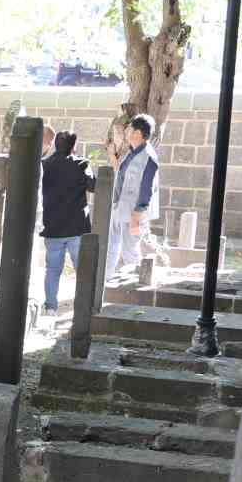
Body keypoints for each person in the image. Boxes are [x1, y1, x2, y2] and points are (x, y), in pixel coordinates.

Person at [39, 130, 95, 325]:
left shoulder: (45, 165)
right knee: (83, 269)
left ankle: (51, 307)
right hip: (77, 227)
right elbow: (93, 186)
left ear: (55, 144)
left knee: (52, 269)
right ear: (73, 146)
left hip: (53, 227)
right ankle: (82, 306)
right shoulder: (81, 164)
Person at [107, 114, 160, 279]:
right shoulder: (131, 152)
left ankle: (132, 288)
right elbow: (121, 175)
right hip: (119, 208)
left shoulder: (148, 158)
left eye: (130, 128)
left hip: (133, 213)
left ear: (137, 133)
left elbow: (147, 189)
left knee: (130, 251)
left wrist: (137, 215)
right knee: (111, 248)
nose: (126, 131)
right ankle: (105, 282)